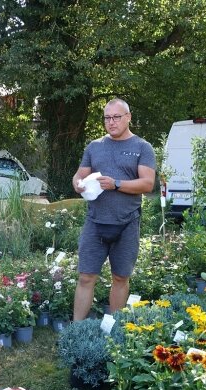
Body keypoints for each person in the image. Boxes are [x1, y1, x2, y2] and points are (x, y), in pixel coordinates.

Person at [71, 98, 156, 321]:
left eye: (116, 117)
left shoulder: (142, 147)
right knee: (86, 277)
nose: (111, 122)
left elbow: (148, 184)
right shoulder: (94, 146)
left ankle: (113, 329)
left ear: (128, 117)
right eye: (107, 118)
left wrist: (117, 184)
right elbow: (80, 174)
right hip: (96, 221)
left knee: (120, 278)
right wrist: (77, 183)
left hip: (126, 222)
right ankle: (76, 329)